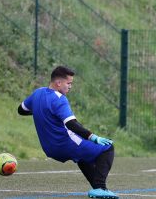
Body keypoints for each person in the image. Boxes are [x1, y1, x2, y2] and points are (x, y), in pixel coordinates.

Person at [17, 66, 119, 199]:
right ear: (59, 83)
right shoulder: (59, 98)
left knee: (83, 156)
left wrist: (41, 112)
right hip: (65, 143)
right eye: (69, 83)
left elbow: (21, 110)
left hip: (49, 148)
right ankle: (100, 187)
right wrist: (93, 137)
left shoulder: (38, 93)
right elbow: (71, 124)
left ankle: (99, 189)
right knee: (107, 148)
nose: (70, 87)